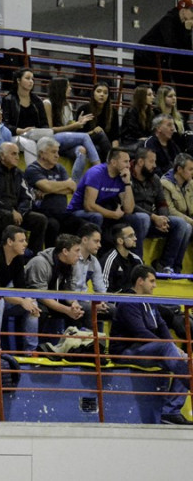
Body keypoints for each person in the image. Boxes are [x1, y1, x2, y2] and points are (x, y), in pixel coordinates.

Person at [110, 265, 193, 425]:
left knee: (186, 360)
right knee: (168, 350)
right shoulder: (128, 302)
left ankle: (170, 412)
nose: (155, 285)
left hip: (146, 349)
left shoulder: (149, 301)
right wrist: (168, 345)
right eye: (152, 281)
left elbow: (161, 325)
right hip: (125, 351)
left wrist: (174, 347)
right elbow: (140, 333)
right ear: (140, 281)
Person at [128, 147, 192, 274]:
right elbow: (129, 206)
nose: (155, 165)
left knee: (183, 225)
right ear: (140, 162)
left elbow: (162, 203)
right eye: (151, 161)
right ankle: (137, 264)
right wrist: (153, 217)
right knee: (143, 218)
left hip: (152, 220)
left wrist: (163, 219)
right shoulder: (127, 177)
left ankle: (167, 265)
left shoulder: (155, 179)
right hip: (131, 219)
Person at [0, 141, 49, 253]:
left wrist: (20, 212)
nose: (17, 157)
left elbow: (27, 196)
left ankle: (32, 255)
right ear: (2, 156)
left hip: (17, 212)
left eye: (17, 154)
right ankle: (0, 253)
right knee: (6, 216)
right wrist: (11, 210)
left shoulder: (19, 173)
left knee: (40, 219)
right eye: (13, 154)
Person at [25, 234, 85, 342]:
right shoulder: (40, 262)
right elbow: (41, 296)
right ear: (65, 251)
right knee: (40, 311)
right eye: (77, 251)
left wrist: (74, 304)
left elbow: (70, 290)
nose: (80, 255)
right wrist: (67, 310)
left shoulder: (72, 264)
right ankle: (36, 348)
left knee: (80, 311)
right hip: (34, 299)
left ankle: (74, 346)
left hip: (53, 297)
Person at [24, 136, 87, 239]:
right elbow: (47, 186)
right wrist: (63, 185)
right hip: (43, 213)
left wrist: (47, 191)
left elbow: (72, 187)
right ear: (42, 153)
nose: (57, 156)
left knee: (85, 226)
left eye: (57, 152)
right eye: (53, 152)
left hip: (62, 213)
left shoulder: (59, 167)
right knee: (53, 225)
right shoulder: (33, 169)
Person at [66, 147, 136, 229]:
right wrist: (113, 214)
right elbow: (89, 206)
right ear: (113, 162)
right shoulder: (96, 173)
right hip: (77, 212)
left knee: (137, 218)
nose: (129, 166)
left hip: (101, 211)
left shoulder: (122, 176)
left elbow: (128, 210)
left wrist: (127, 183)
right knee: (97, 216)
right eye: (125, 162)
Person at [133, 0, 193, 93]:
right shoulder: (168, 20)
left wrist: (187, 31)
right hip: (144, 54)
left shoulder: (182, 24)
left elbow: (186, 50)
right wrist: (185, 31)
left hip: (158, 58)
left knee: (165, 88)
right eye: (191, 10)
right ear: (183, 11)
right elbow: (170, 43)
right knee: (143, 88)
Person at [45, 77, 101, 176]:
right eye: (68, 86)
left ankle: (75, 181)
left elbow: (69, 131)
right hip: (51, 139)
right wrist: (74, 125)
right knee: (85, 136)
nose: (70, 89)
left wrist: (78, 124)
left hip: (64, 141)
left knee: (82, 150)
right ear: (60, 88)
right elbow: (49, 130)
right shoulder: (47, 103)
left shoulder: (68, 105)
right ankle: (99, 170)